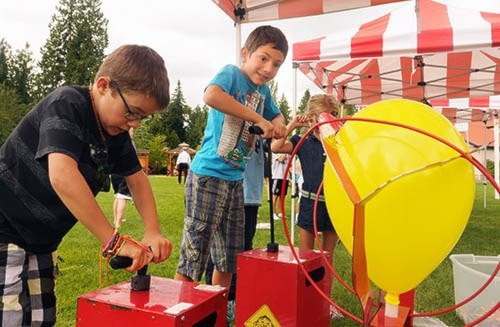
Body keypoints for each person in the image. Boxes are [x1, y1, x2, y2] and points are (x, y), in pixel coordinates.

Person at [0, 44, 173, 326]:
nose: (135, 124)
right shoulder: (68, 104)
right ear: (104, 86)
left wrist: (152, 230)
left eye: (143, 117)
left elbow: (137, 180)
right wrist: (113, 241)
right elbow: (62, 175)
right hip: (4, 225)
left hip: (41, 239)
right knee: (8, 316)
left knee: (41, 319)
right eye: (133, 112)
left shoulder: (115, 132)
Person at [174, 25, 288, 322]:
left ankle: (215, 313)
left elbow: (277, 117)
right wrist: (259, 119)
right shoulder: (231, 74)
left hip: (235, 180)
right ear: (245, 53)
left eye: (276, 64)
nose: (268, 69)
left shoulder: (264, 92)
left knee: (228, 256)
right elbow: (211, 96)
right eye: (263, 59)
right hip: (209, 175)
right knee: (195, 252)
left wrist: (278, 123)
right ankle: (180, 313)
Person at [271, 94, 342, 319]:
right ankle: (305, 298)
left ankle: (326, 302)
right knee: (306, 257)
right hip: (310, 203)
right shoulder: (303, 140)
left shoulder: (339, 141)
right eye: (319, 119)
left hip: (334, 205)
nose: (324, 124)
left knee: (328, 259)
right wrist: (293, 124)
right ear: (311, 119)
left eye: (331, 118)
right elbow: (275, 147)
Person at [111, 128, 135, 229]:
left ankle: (116, 219)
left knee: (117, 196)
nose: (133, 133)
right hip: (124, 173)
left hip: (114, 174)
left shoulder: (113, 142)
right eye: (132, 131)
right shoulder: (128, 144)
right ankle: (118, 223)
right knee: (122, 197)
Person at [271, 152, 290, 220]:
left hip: (285, 177)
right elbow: (281, 159)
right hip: (277, 176)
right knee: (275, 196)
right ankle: (273, 213)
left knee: (282, 196)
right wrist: (286, 152)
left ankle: (280, 212)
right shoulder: (275, 151)